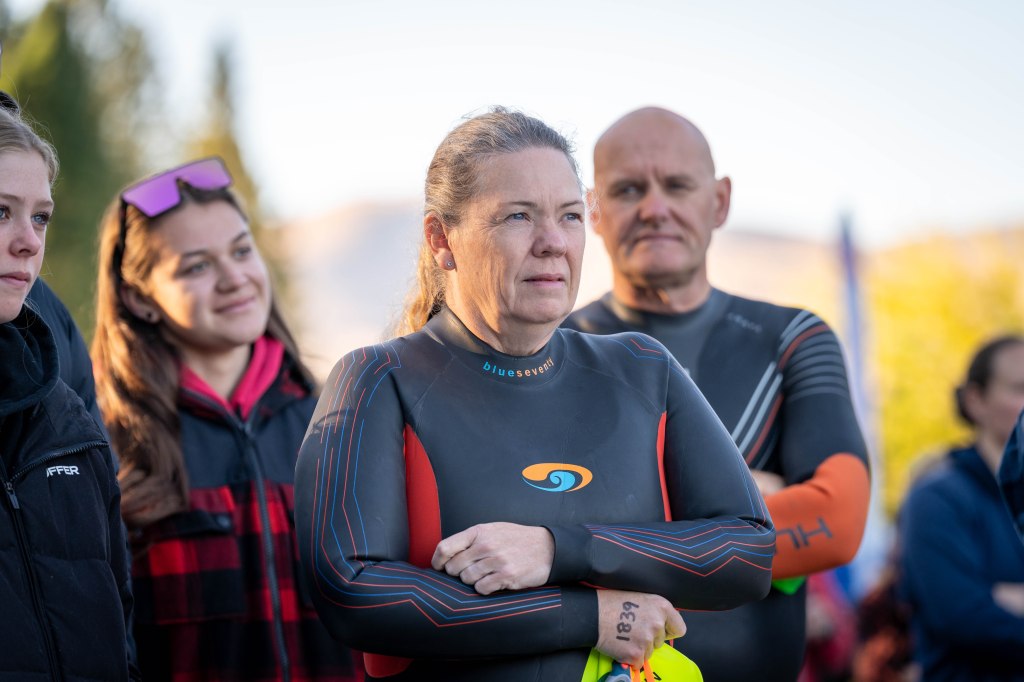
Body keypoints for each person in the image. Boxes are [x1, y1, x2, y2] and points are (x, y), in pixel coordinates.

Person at [294, 107, 775, 681]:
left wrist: (558, 549)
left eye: (570, 216)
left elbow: (747, 553)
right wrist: (591, 615)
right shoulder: (379, 380)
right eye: (518, 216)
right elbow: (353, 592)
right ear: (441, 239)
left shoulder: (641, 368)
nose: (552, 243)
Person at [564, 106, 871, 681]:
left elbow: (838, 522)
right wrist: (740, 514)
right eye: (629, 189)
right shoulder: (554, 352)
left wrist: (604, 533)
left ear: (720, 201)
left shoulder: (794, 339)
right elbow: (513, 536)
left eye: (677, 185)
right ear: (594, 211)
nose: (655, 209)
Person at [91, 157, 363, 682]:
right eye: (197, 266)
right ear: (139, 299)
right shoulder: (102, 444)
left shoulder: (338, 420)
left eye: (241, 251)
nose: (235, 278)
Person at [0, 95, 136, 680]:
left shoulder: (68, 421)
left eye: (40, 216)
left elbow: (118, 618)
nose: (29, 241)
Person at [898, 335, 1024, 680]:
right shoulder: (937, 499)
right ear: (975, 400)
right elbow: (962, 615)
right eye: (1019, 388)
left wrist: (1005, 594)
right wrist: (989, 601)